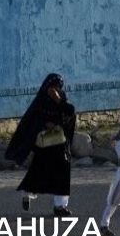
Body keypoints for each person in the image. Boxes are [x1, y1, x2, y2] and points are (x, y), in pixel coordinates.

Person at [5, 73, 77, 216]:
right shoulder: (41, 102)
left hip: (58, 143)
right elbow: (33, 121)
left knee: (58, 173)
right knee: (42, 171)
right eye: (53, 87)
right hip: (47, 144)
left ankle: (58, 205)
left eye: (57, 87)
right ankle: (32, 195)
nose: (55, 89)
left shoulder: (61, 98)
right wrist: (46, 124)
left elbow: (70, 112)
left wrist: (58, 101)